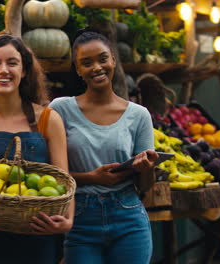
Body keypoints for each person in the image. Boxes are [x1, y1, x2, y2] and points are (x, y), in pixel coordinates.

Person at [0, 34, 73, 264]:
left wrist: (67, 221)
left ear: (25, 70)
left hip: (36, 235)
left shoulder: (48, 119)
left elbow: (64, 179)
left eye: (12, 63)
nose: (3, 70)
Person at [49, 30, 158, 264]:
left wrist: (146, 168)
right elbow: (49, 174)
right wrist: (91, 178)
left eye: (102, 58)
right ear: (78, 70)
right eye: (86, 63)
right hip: (80, 219)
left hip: (128, 215)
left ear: (113, 60)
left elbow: (146, 187)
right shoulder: (60, 109)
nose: (96, 67)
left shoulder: (139, 115)